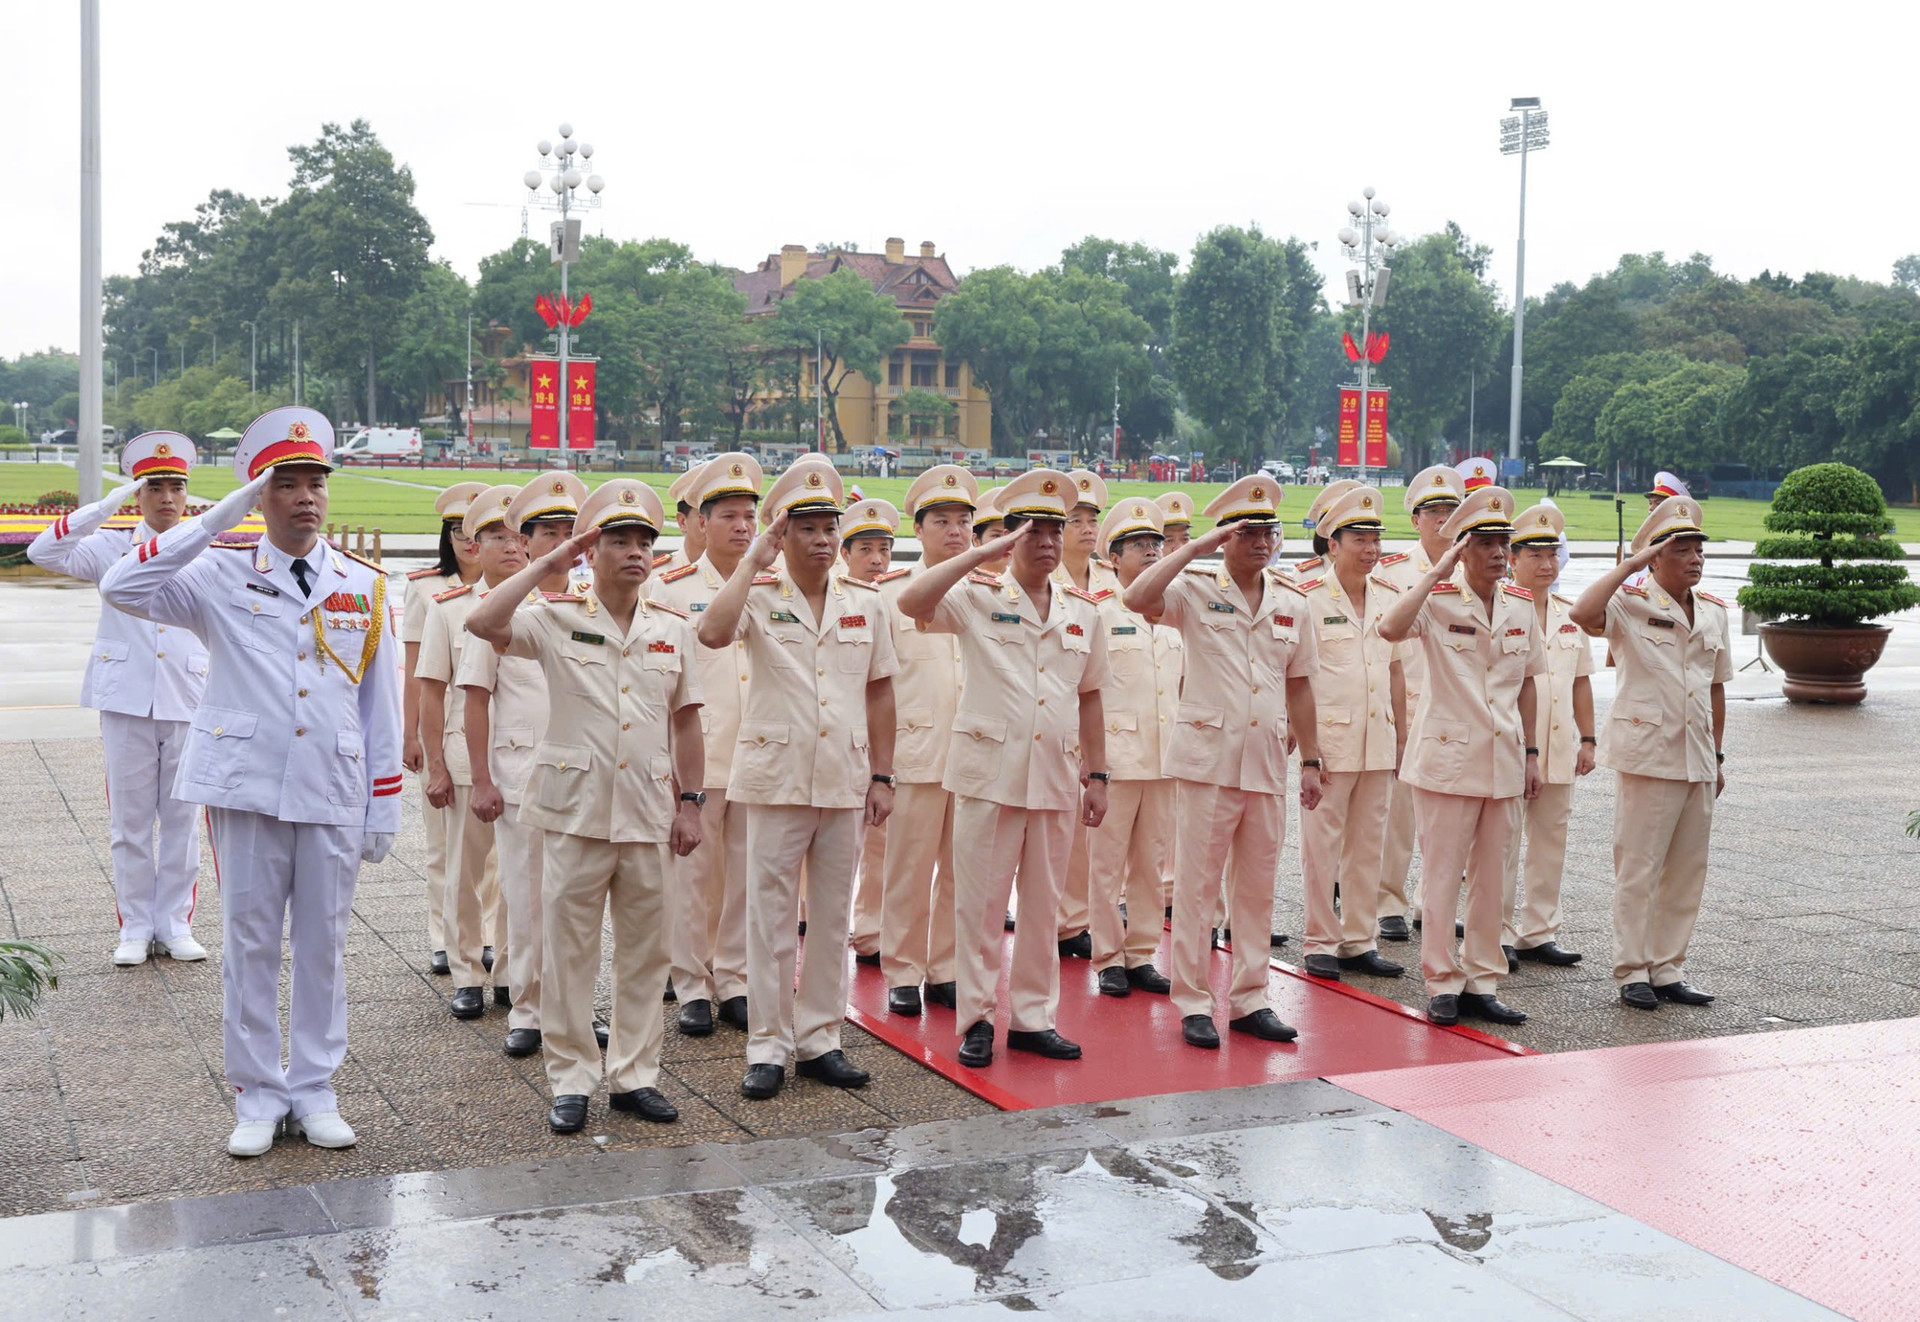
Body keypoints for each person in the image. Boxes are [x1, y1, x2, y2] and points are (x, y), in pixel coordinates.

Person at [100, 406, 402, 1157]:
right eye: (287, 484)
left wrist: (383, 804)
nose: (306, 497)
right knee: (250, 940)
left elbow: (379, 702)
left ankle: (316, 1087)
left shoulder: (361, 585)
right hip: (246, 783)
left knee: (325, 943)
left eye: (315, 484)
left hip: (332, 784)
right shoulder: (216, 571)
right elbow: (121, 586)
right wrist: (214, 521)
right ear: (258, 496)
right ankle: (258, 1093)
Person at [464, 479, 704, 1133]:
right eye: (617, 541)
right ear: (590, 554)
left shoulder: (670, 631)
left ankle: (634, 1076)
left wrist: (692, 803)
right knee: (566, 954)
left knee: (646, 953)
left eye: (642, 542)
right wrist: (547, 563)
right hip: (574, 811)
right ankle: (570, 1077)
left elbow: (687, 723)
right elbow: (483, 622)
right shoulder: (555, 617)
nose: (633, 551)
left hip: (649, 811)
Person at [696, 458, 898, 1100]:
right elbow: (710, 631)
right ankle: (767, 1046)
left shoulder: (865, 602)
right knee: (769, 920)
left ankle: (821, 1041)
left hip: (844, 777)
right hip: (777, 780)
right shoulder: (755, 594)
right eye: (805, 526)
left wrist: (885, 776)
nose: (821, 539)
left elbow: (882, 692)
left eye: (828, 527)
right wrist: (753, 560)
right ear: (782, 535)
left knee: (832, 918)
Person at [897, 469, 1109, 1068]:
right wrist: (980, 553)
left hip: (1054, 774)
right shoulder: (977, 596)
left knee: (1043, 908)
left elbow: (1091, 695)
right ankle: (977, 1020)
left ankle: (1035, 1018)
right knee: (981, 907)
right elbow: (912, 602)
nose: (1046, 540)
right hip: (989, 774)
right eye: (1032, 530)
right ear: (1010, 537)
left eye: (1054, 529)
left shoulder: (1082, 611)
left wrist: (1100, 776)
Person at [1121, 475, 1319, 1050]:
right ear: (1225, 538)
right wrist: (1192, 550)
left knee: (1257, 888)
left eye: (1269, 532)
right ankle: (1193, 1000)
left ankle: (1251, 998)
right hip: (1208, 761)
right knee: (1198, 887)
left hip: (1264, 759)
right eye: (1248, 532)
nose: (1262, 542)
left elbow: (1301, 684)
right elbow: (1136, 597)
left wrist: (1312, 758)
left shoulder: (1291, 600)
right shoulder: (1195, 588)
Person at [29, 432, 211, 966]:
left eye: (176, 486)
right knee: (129, 824)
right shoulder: (111, 546)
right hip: (127, 695)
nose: (167, 498)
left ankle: (175, 924)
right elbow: (43, 551)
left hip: (187, 693)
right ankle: (134, 926)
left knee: (182, 822)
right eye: (154, 487)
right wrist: (102, 508)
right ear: (137, 494)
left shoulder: (205, 546)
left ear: (187, 494)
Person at [1377, 485, 1543, 1028]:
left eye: (1504, 542)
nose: (1500, 552)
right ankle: (1442, 982)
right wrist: (1436, 572)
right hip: (1447, 759)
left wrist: (1534, 753)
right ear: (1463, 548)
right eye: (1487, 542)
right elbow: (1390, 628)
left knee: (1493, 876)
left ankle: (1482, 981)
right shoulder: (1437, 599)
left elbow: (1528, 684)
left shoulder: (1520, 603)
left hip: (1504, 758)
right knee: (1443, 876)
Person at [1569, 495, 1729, 1012]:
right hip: (1647, 754)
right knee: (1639, 868)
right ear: (1656, 557)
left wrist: (1719, 757)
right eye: (1682, 549)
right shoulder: (1630, 604)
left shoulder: (1712, 611)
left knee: (1687, 870)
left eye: (1698, 549)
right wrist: (1631, 565)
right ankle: (1632, 970)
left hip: (1697, 755)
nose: (1695, 558)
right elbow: (1581, 611)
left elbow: (1717, 688)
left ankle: (1668, 967)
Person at [457, 473, 588, 1058]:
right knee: (528, 898)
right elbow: (475, 698)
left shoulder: (596, 605)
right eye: (549, 533)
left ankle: (574, 1011)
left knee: (579, 903)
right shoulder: (505, 608)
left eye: (571, 532)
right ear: (528, 542)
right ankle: (530, 1012)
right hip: (521, 777)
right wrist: (481, 778)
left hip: (586, 777)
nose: (561, 542)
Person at [647, 453, 763, 1038]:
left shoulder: (771, 585)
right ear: (701, 522)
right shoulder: (668, 587)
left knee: (746, 874)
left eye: (750, 516)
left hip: (759, 750)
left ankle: (735, 980)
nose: (742, 527)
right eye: (729, 517)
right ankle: (692, 982)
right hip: (698, 751)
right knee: (694, 877)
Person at [871, 469, 977, 1015]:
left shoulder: (986, 592)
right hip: (915, 754)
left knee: (964, 871)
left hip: (975, 753)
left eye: (964, 521)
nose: (955, 531)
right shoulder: (890, 596)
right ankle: (903, 969)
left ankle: (947, 968)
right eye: (942, 521)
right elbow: (877, 684)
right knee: (908, 871)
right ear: (918, 529)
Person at [1294, 486, 1407, 982]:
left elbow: (1397, 672)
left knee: (1369, 845)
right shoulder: (1308, 599)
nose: (1370, 549)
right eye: (1358, 538)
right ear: (1332, 544)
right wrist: (1307, 751)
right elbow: (1295, 676)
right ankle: (1321, 939)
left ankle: (1360, 939)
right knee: (1322, 847)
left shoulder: (1389, 597)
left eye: (1375, 539)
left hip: (1377, 741)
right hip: (1330, 744)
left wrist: (1402, 736)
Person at [418, 483, 522, 1019]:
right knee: (465, 872)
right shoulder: (451, 610)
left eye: (516, 536)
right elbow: (432, 691)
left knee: (515, 877)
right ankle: (467, 973)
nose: (508, 546)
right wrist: (434, 763)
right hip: (464, 761)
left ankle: (508, 971)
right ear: (474, 547)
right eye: (494, 537)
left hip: (527, 763)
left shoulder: (549, 608)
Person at [1086, 498, 1180, 998]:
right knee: (1106, 865)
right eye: (1139, 545)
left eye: (1156, 544)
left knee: (1151, 863)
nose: (1150, 552)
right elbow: (1087, 690)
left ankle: (1142, 953)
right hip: (1116, 760)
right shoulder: (1099, 611)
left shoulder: (1173, 609)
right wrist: (1090, 763)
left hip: (1166, 757)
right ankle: (1108, 956)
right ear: (1113, 557)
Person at [1503, 503, 1594, 969]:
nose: (1546, 564)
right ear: (1512, 558)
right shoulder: (1498, 609)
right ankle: (1497, 931)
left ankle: (1538, 931)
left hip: (1557, 746)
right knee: (1501, 844)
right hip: (1508, 746)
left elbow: (1580, 680)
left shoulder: (1568, 613)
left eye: (1552, 554)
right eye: (1534, 554)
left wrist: (1589, 739)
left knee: (1549, 843)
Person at [402, 481, 488, 977]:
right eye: (459, 530)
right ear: (448, 535)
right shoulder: (426, 588)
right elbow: (415, 669)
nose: (470, 540)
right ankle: (444, 935)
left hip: (496, 733)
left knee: (497, 859)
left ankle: (490, 937)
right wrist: (412, 735)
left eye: (481, 530)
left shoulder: (519, 588)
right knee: (444, 845)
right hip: (444, 729)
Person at [1377, 465, 1464, 942]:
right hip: (1404, 702)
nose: (1443, 520)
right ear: (1416, 520)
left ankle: (1434, 903)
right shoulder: (1392, 572)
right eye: (1433, 512)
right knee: (1398, 815)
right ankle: (1388, 900)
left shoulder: (1472, 570)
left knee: (1448, 820)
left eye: (1451, 511)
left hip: (1454, 709)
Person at [1053, 469, 1118, 960]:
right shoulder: (1040, 578)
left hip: (1101, 719)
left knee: (1085, 838)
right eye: (1075, 520)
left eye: (1091, 519)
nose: (1086, 528)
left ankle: (1073, 922)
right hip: (1053, 721)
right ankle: (1049, 916)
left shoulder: (1112, 583)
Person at [838, 495, 901, 973]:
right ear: (845, 553)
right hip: (836, 740)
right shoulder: (829, 597)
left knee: (882, 846)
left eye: (885, 549)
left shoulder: (894, 599)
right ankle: (857, 928)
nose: (877, 559)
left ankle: (874, 931)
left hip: (884, 742)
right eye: (866, 549)